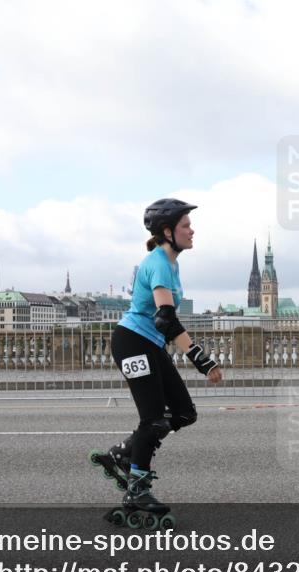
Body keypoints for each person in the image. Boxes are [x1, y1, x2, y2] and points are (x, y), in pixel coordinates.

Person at [91, 197, 222, 528]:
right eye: (185, 225)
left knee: (183, 413)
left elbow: (163, 322)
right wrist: (201, 360)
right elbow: (165, 319)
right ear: (167, 231)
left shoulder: (171, 261)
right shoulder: (160, 263)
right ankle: (137, 488)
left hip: (148, 345)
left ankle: (124, 453)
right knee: (153, 419)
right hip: (133, 342)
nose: (192, 230)